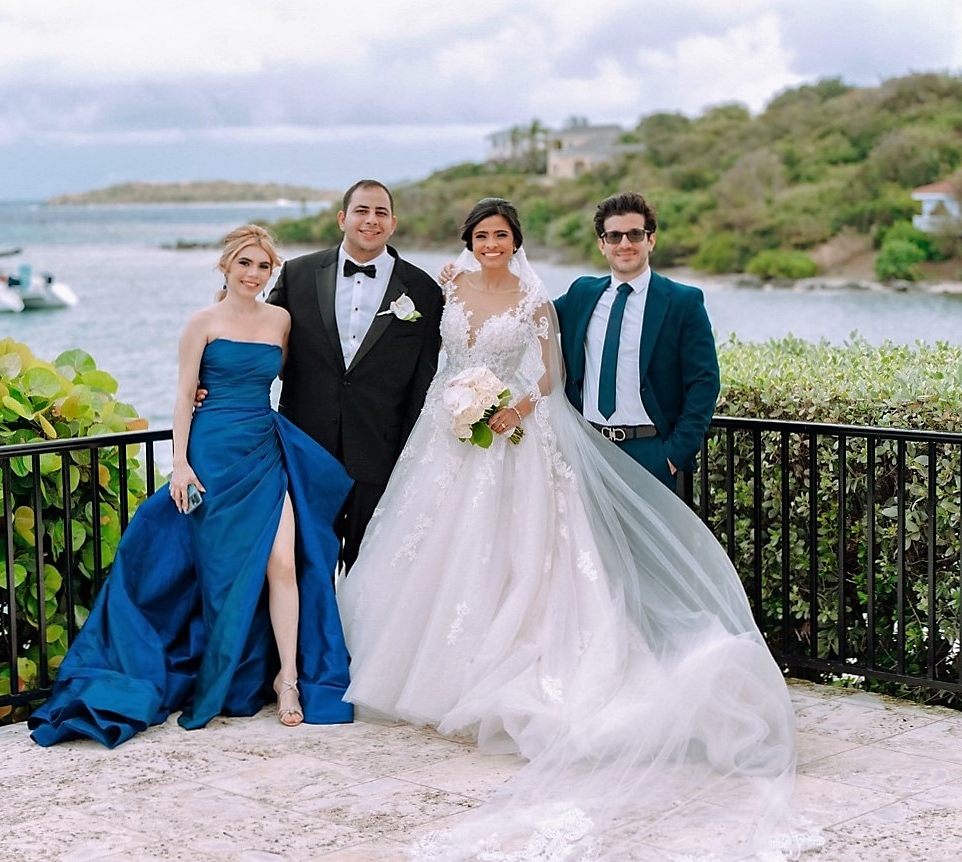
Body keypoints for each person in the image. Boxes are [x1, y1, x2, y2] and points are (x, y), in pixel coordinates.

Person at [340, 200, 811, 859]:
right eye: (482, 236)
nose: (493, 244)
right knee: (468, 557)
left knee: (608, 572)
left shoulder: (649, 299)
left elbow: (577, 376)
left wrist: (670, 449)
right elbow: (439, 343)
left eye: (502, 235)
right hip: (457, 446)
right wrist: (458, 399)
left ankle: (664, 672)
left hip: (619, 448)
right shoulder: (527, 289)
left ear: (650, 238)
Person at [29, 226, 354, 748]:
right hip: (211, 455)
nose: (254, 274)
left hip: (263, 450)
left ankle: (287, 679)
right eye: (245, 264)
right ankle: (220, 669)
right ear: (226, 267)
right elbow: (183, 396)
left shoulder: (281, 321)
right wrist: (179, 465)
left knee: (284, 563)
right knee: (223, 574)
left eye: (263, 267)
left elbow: (288, 381)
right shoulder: (200, 323)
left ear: (272, 273)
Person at [267, 180, 444, 573]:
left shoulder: (424, 290)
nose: (371, 220)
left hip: (380, 454)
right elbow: (260, 343)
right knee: (303, 563)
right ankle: (313, 636)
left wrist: (410, 455)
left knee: (370, 569)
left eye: (381, 212)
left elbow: (424, 382)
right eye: (362, 210)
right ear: (343, 218)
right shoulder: (297, 275)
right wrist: (214, 382)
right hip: (305, 448)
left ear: (393, 223)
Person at [553, 191, 720, 491]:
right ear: (602, 244)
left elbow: (705, 382)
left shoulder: (683, 302)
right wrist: (465, 281)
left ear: (650, 240)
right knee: (594, 539)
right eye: (614, 236)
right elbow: (527, 316)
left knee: (656, 541)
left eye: (634, 234)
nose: (625, 244)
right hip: (590, 451)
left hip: (652, 455)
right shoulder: (581, 294)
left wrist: (672, 455)